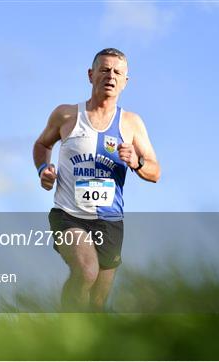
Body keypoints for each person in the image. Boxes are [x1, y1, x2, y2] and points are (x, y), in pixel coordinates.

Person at [33, 48, 160, 311]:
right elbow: (41, 144)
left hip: (110, 221)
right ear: (91, 75)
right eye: (104, 70)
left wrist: (136, 162)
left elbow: (155, 172)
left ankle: (88, 349)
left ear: (125, 82)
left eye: (117, 72)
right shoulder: (66, 115)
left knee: (98, 302)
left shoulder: (132, 123)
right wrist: (43, 169)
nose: (110, 76)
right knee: (86, 270)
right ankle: (64, 338)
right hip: (69, 214)